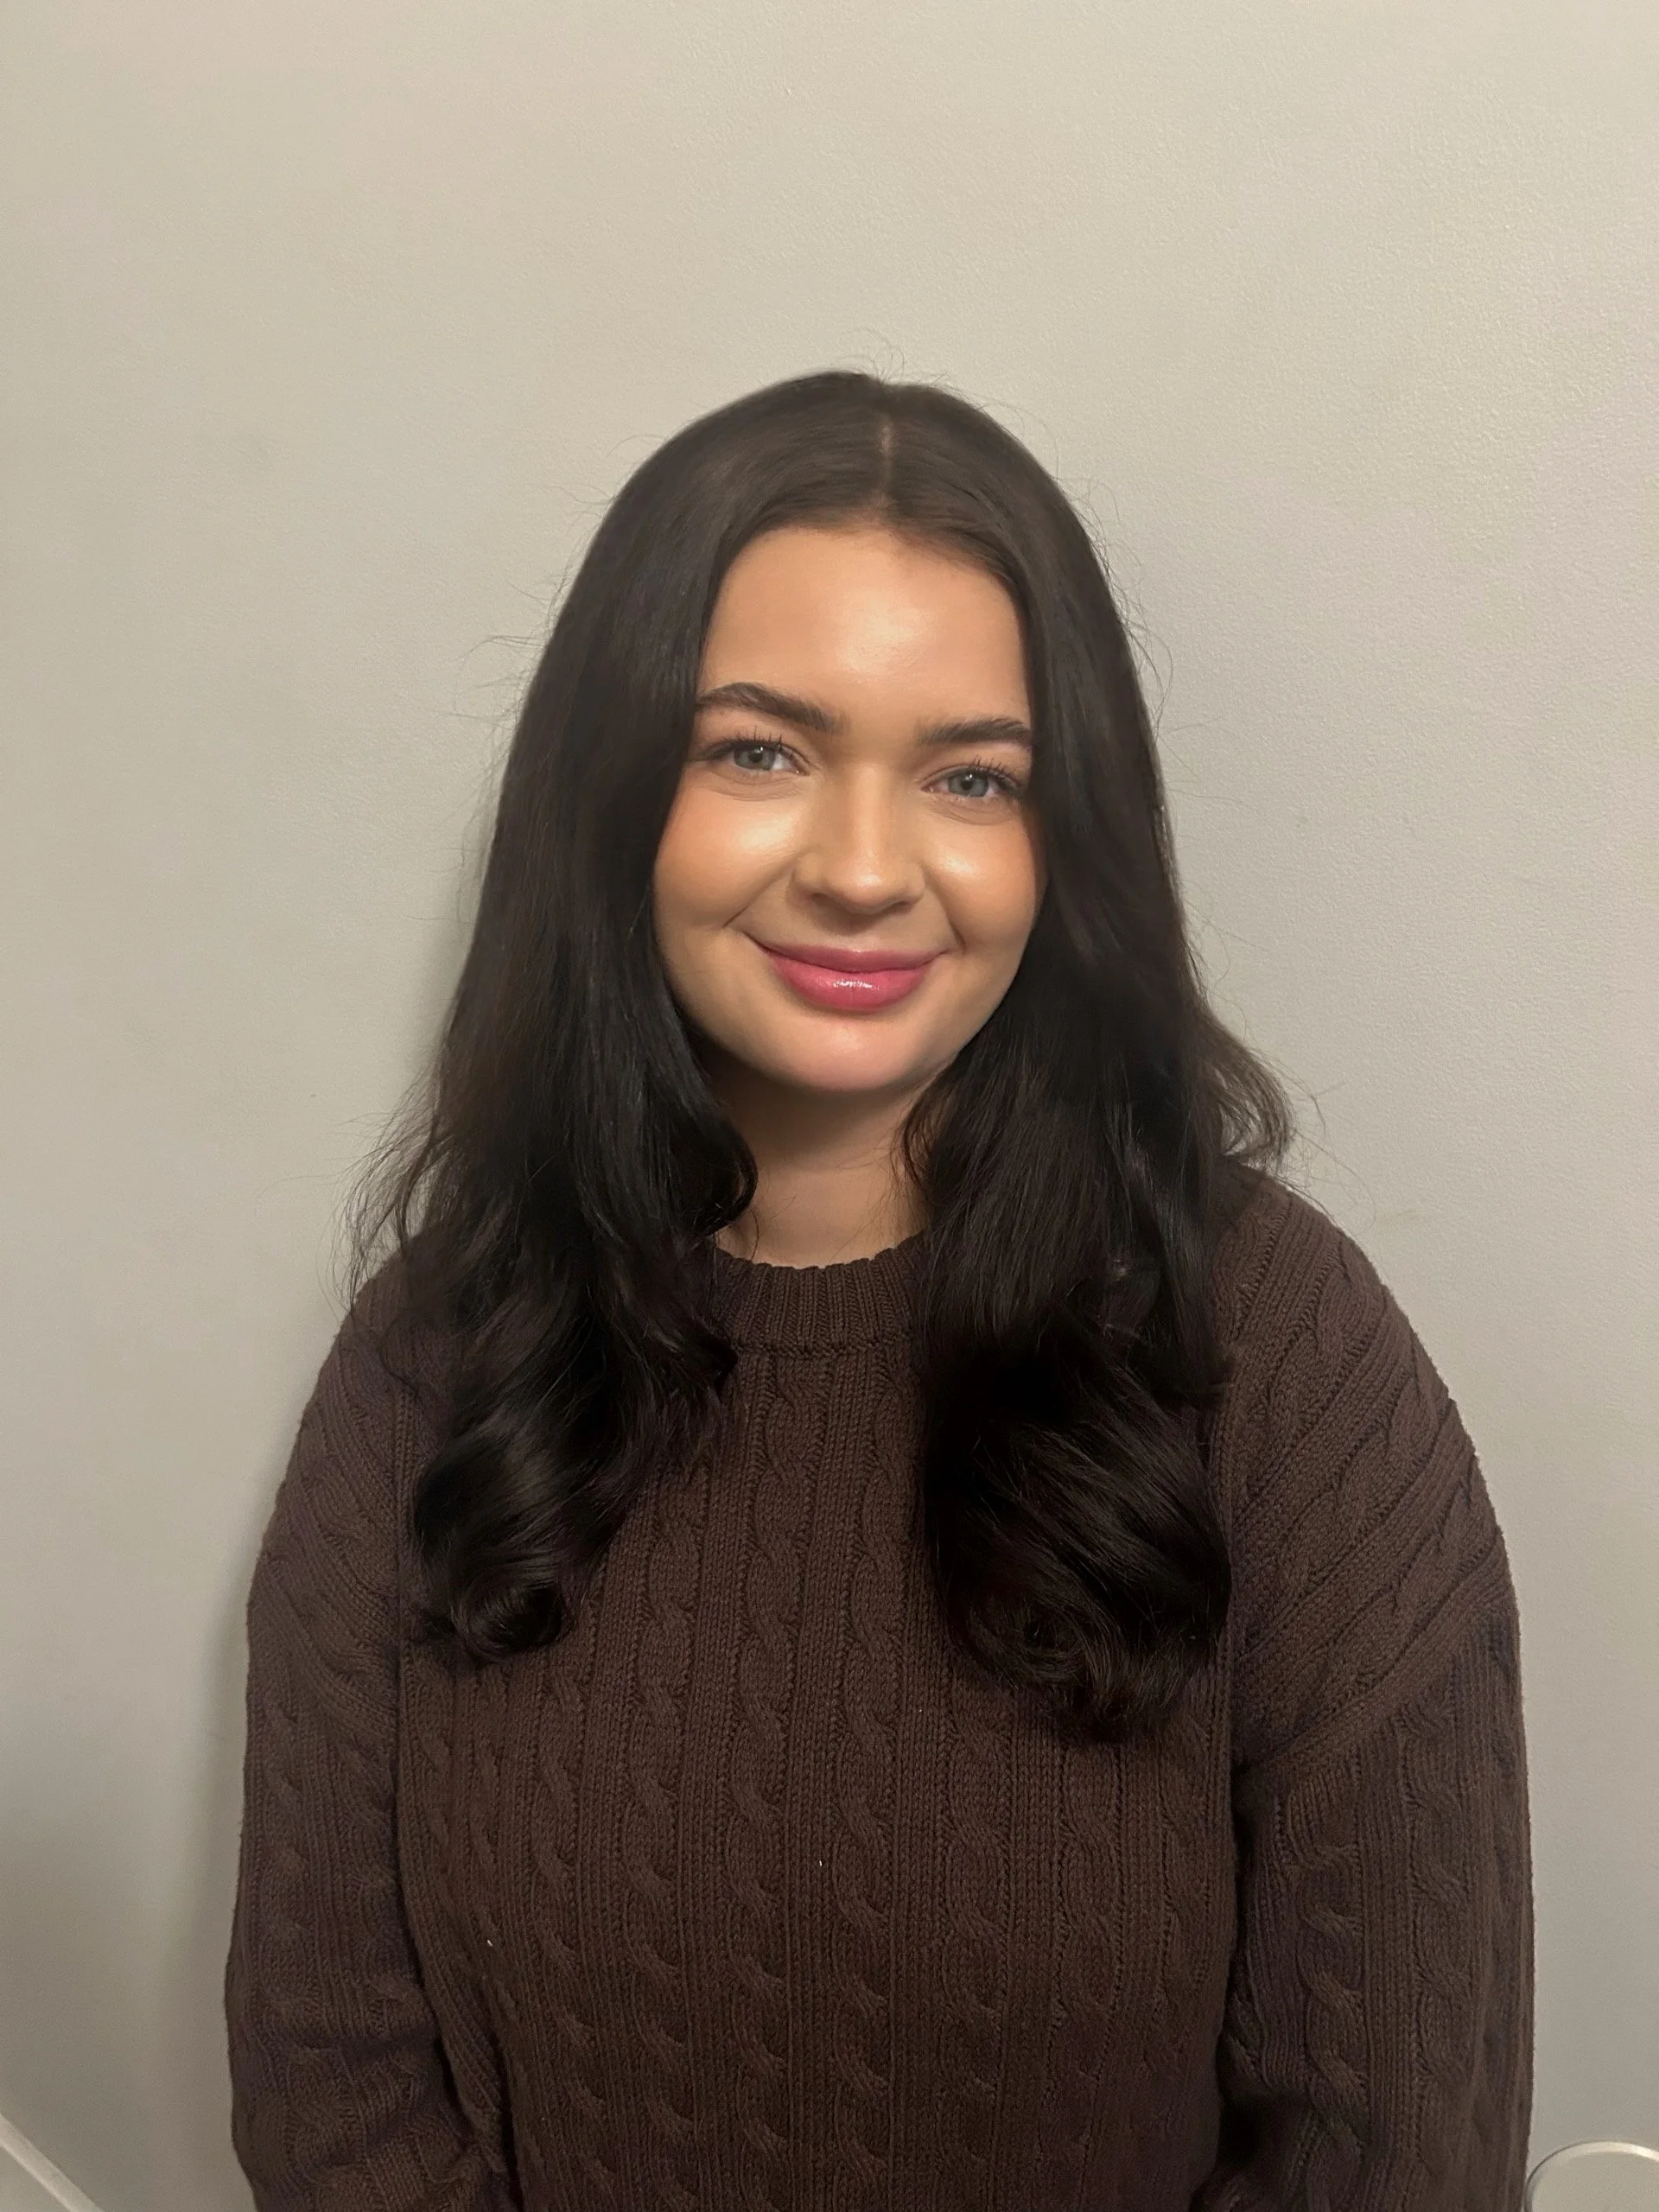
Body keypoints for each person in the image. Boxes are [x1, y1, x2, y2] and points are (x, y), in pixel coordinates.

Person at [224, 371, 1533, 2209]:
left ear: (1065, 841)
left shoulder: (1284, 1359)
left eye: (971, 777)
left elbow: (1391, 2147)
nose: (860, 870)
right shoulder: (440, 1351)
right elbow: (331, 2079)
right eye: (759, 751)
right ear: (614, 794)